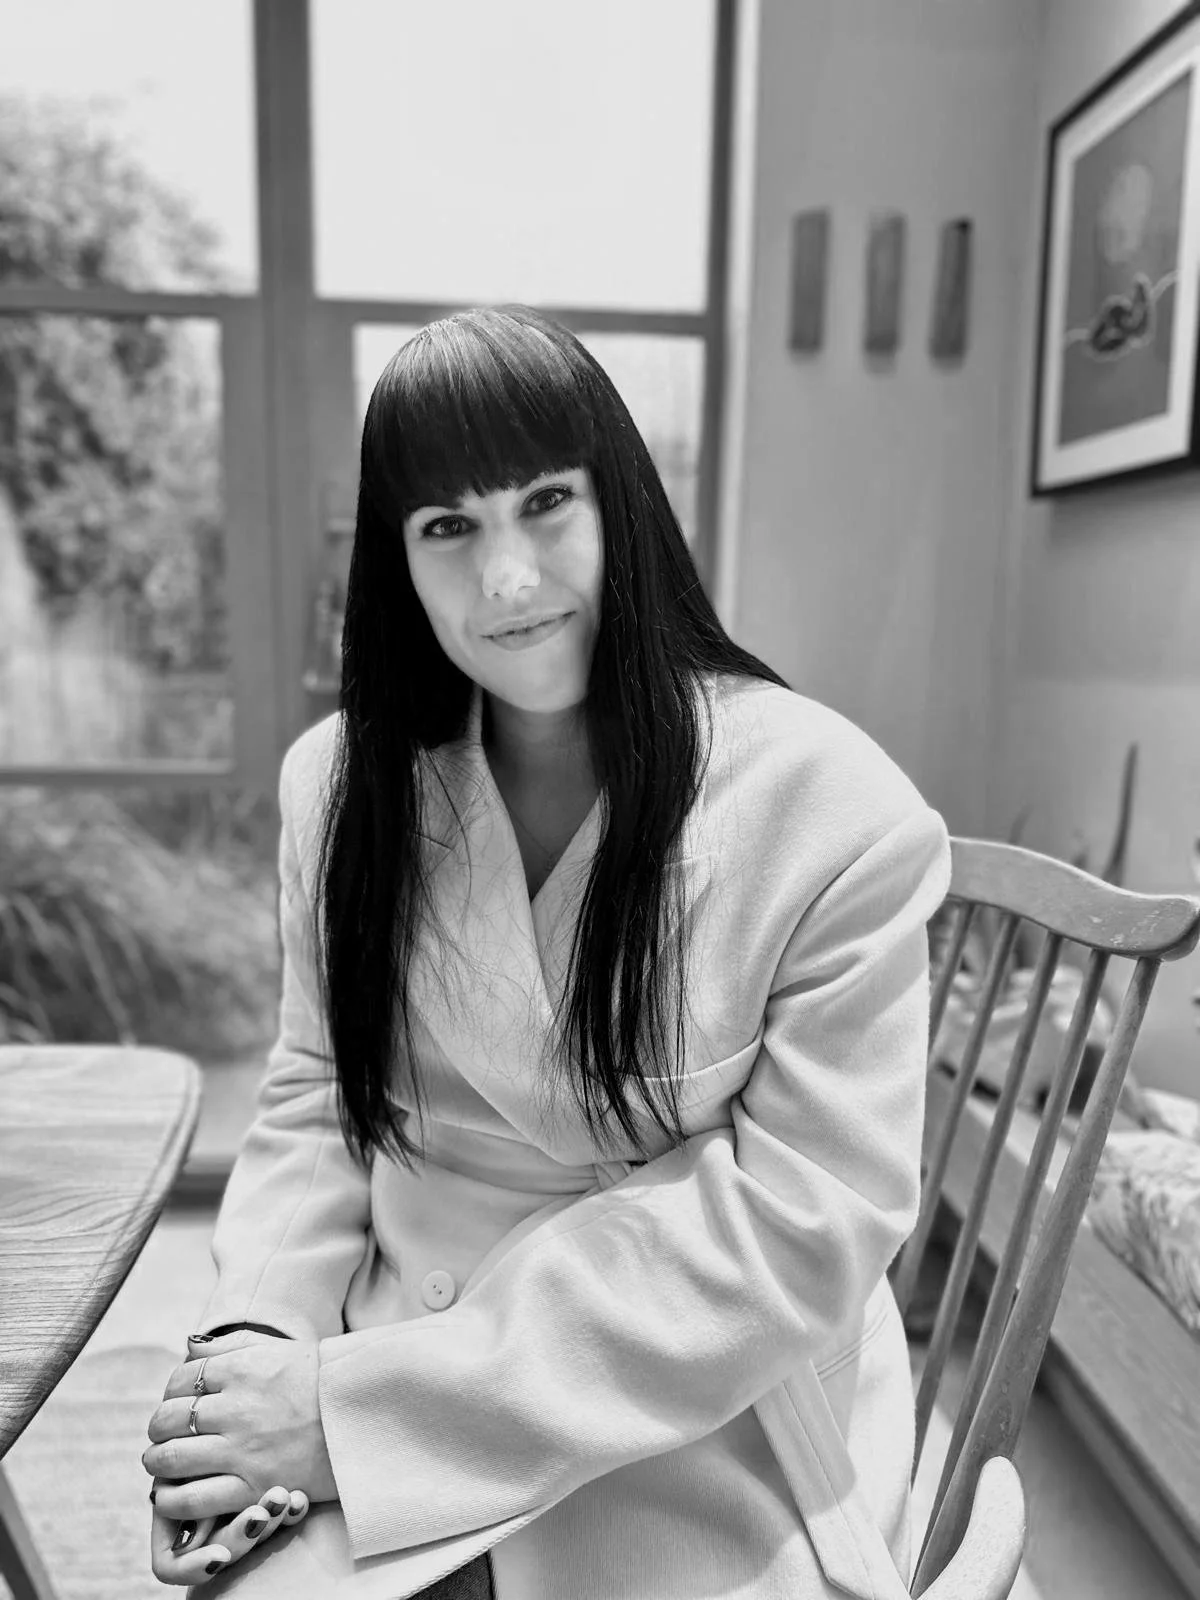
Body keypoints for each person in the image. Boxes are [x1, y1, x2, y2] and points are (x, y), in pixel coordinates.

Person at [142, 303, 951, 1599]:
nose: (505, 577)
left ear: (620, 505)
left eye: (545, 503)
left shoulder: (832, 808)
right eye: (448, 527)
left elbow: (805, 1233)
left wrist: (360, 1414)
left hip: (699, 1397)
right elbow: (309, 1096)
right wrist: (262, 1340)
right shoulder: (337, 787)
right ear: (396, 561)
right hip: (388, 1316)